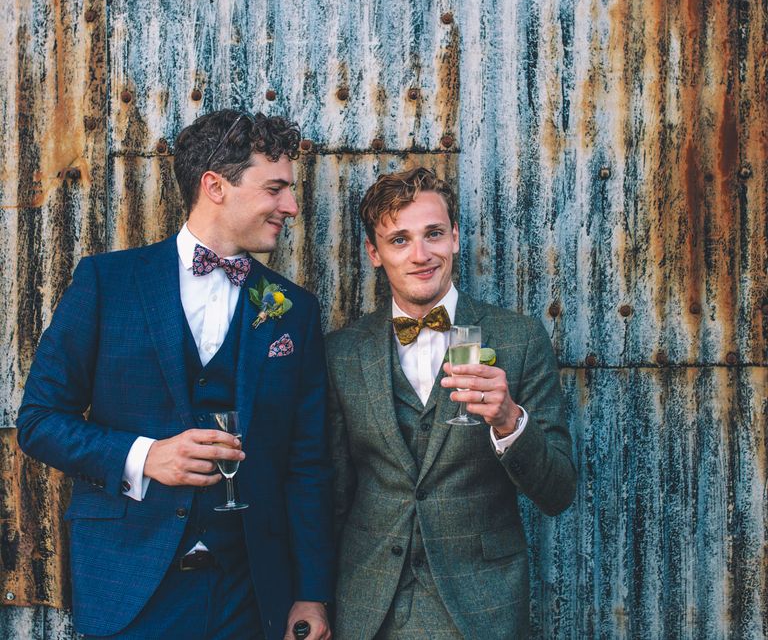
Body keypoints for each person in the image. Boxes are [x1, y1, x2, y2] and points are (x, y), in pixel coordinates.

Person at [16, 110, 333, 640]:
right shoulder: (106, 282)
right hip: (131, 586)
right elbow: (39, 421)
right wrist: (145, 456)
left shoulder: (291, 310)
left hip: (252, 594)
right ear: (215, 186)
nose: (292, 207)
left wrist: (313, 592)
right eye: (276, 188)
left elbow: (308, 463)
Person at [327, 168, 576, 638]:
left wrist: (508, 422)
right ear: (374, 254)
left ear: (455, 238)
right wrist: (315, 598)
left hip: (482, 606)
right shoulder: (341, 352)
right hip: (368, 606)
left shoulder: (519, 338)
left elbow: (558, 491)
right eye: (399, 240)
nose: (421, 255)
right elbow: (331, 495)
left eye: (434, 234)